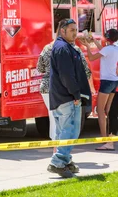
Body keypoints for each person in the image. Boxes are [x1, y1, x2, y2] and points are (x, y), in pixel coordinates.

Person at [47, 18, 91, 178]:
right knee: (70, 131)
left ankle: (65, 160)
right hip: (67, 98)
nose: (75, 33)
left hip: (61, 97)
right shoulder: (63, 48)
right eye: (71, 30)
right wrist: (76, 95)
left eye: (76, 29)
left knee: (63, 132)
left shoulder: (64, 47)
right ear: (62, 31)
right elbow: (67, 75)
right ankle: (58, 163)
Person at [37, 26, 94, 142]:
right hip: (64, 89)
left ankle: (56, 148)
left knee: (54, 118)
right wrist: (90, 88)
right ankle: (59, 152)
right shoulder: (73, 49)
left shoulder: (47, 48)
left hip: (46, 88)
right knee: (65, 121)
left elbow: (40, 68)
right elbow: (86, 70)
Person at [80, 28, 118, 151]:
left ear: (107, 38)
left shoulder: (107, 49)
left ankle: (105, 141)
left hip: (106, 82)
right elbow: (103, 51)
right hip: (114, 81)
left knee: (100, 111)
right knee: (107, 110)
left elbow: (91, 58)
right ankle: (110, 140)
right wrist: (95, 41)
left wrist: (87, 46)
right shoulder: (114, 49)